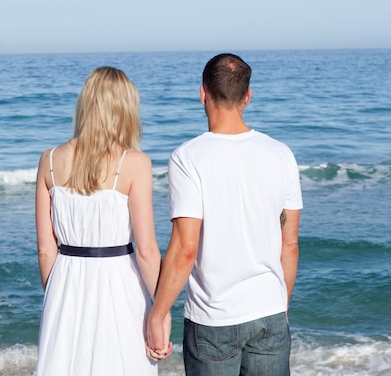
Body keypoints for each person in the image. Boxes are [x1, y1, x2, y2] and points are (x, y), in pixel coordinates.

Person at [147, 53, 303, 376]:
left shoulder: (187, 158)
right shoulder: (281, 155)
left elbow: (185, 248)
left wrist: (157, 313)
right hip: (270, 313)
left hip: (213, 320)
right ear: (248, 96)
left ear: (202, 93)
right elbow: (289, 245)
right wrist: (280, 307)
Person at [35, 67, 171, 376]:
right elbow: (147, 250)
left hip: (64, 282)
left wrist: (58, 293)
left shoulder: (50, 160)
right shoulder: (135, 163)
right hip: (120, 284)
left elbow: (46, 250)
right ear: (125, 109)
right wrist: (162, 311)